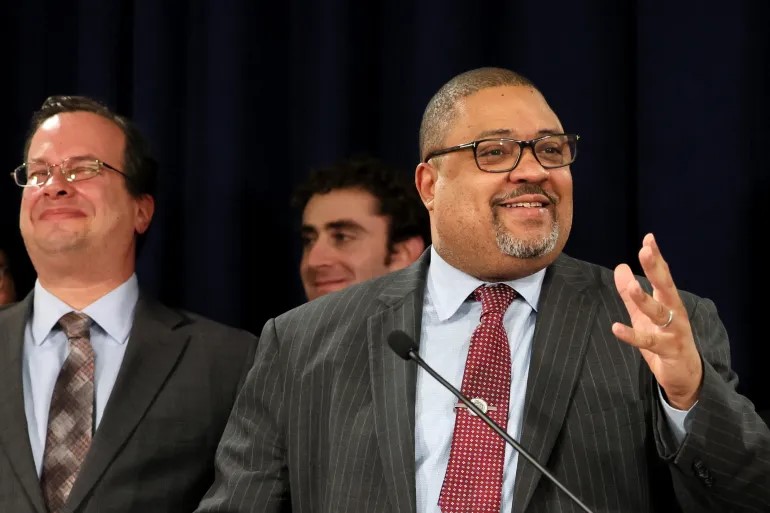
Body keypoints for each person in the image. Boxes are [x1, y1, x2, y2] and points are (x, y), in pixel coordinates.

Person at [196, 68, 770, 513]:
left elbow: (748, 498)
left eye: (550, 149)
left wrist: (689, 398)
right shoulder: (302, 343)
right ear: (429, 183)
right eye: (494, 152)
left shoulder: (656, 323)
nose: (532, 170)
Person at [0, 95, 258, 513]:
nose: (56, 185)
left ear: (142, 209)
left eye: (83, 169)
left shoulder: (231, 361)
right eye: (39, 172)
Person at [291, 154, 430, 301]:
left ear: (402, 253)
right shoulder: (284, 324)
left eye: (342, 237)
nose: (314, 261)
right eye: (308, 240)